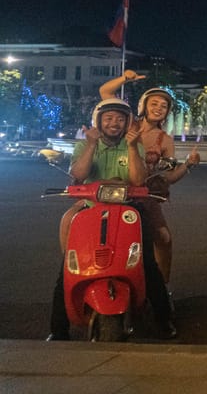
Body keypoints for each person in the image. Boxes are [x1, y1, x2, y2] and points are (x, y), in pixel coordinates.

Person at [48, 99, 176, 340]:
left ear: (127, 122)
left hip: (127, 208)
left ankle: (164, 320)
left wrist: (131, 146)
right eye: (108, 118)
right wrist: (90, 145)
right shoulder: (85, 145)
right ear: (99, 121)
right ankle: (58, 329)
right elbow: (78, 174)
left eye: (119, 119)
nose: (113, 123)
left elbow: (138, 181)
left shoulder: (133, 145)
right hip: (90, 207)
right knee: (68, 266)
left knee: (146, 263)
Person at [97, 71, 201, 285]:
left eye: (163, 106)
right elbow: (105, 92)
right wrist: (125, 79)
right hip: (110, 190)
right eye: (154, 103)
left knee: (163, 238)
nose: (158, 109)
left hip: (144, 195)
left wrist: (188, 164)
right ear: (143, 105)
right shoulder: (125, 123)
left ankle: (163, 287)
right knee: (73, 221)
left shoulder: (165, 140)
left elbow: (169, 177)